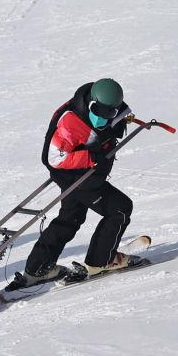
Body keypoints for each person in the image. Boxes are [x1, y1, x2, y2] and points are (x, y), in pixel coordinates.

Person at [14, 78, 139, 287]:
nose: (102, 117)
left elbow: (106, 123)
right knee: (120, 208)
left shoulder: (99, 107)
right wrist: (92, 157)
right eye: (98, 110)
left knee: (71, 217)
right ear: (91, 103)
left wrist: (121, 121)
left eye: (109, 113)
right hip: (77, 175)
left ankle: (37, 269)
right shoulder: (71, 122)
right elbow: (54, 158)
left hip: (80, 174)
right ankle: (102, 261)